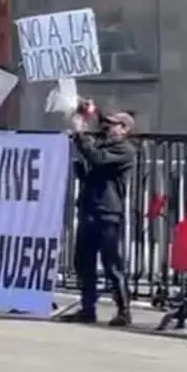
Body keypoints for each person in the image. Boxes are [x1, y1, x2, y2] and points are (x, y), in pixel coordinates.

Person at [61, 106, 136, 327]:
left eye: (113, 125)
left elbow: (98, 159)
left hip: (108, 212)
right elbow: (89, 168)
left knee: (112, 264)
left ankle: (124, 310)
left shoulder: (125, 150)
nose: (107, 128)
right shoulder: (103, 145)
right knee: (84, 262)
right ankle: (87, 309)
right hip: (90, 208)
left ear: (124, 129)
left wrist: (80, 135)